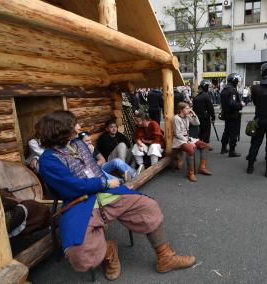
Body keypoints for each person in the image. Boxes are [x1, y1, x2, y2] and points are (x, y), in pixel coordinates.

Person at [38, 111, 195, 280]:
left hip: (105, 193)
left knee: (148, 206)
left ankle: (166, 257)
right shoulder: (47, 161)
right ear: (60, 130)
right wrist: (104, 183)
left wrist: (105, 181)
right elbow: (72, 186)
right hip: (79, 202)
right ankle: (109, 251)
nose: (79, 127)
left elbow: (95, 167)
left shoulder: (78, 144)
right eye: (74, 124)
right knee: (78, 250)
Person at [173, 102, 212, 182]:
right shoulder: (176, 118)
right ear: (181, 110)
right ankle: (190, 173)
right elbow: (177, 134)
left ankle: (202, 167)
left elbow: (197, 123)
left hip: (188, 138)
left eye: (189, 108)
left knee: (205, 146)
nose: (189, 110)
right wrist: (187, 141)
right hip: (179, 140)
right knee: (191, 149)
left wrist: (194, 114)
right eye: (187, 108)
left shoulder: (187, 117)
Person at [220, 73, 245, 157]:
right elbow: (232, 104)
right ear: (234, 80)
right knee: (233, 133)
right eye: (238, 80)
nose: (239, 82)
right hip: (233, 115)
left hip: (226, 114)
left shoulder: (225, 89)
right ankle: (232, 151)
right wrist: (241, 104)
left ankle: (223, 148)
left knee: (226, 132)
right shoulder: (232, 90)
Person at [193, 80, 216, 144]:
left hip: (198, 117)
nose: (209, 88)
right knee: (206, 131)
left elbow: (194, 108)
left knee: (200, 131)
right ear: (205, 87)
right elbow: (210, 108)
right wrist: (213, 117)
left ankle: (200, 143)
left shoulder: (196, 96)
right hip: (205, 117)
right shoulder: (206, 96)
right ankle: (205, 145)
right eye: (208, 87)